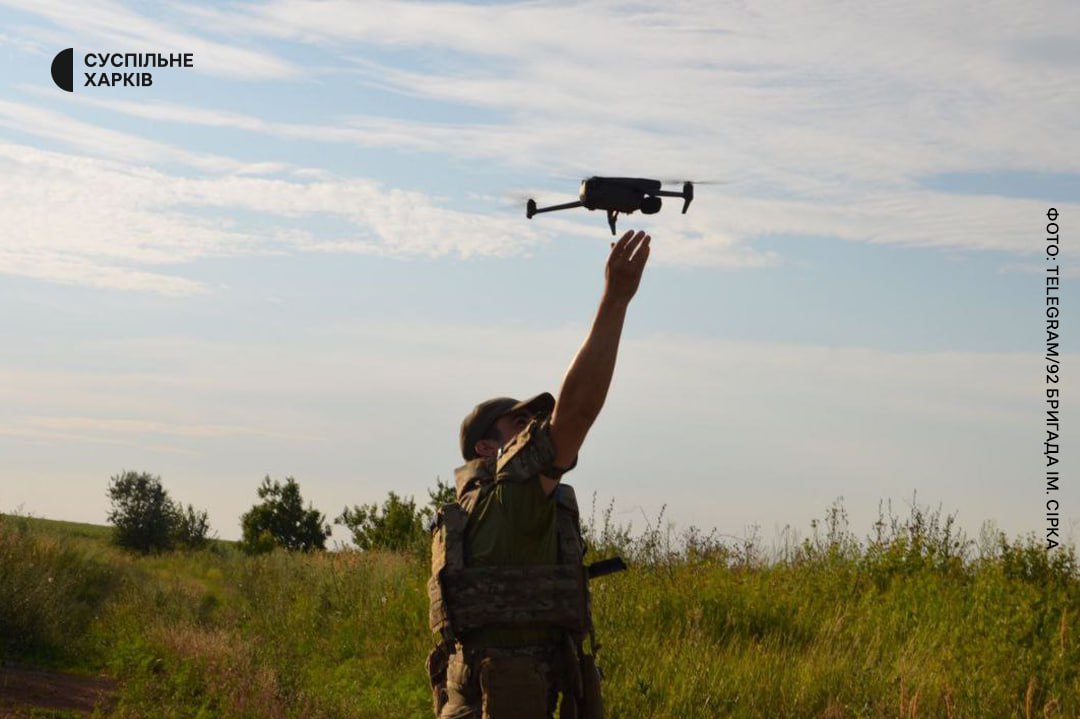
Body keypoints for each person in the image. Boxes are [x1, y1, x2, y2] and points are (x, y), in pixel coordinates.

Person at [427, 229, 651, 719]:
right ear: (487, 448)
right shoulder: (511, 495)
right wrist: (616, 299)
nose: (534, 431)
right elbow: (577, 412)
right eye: (521, 425)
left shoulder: (466, 512)